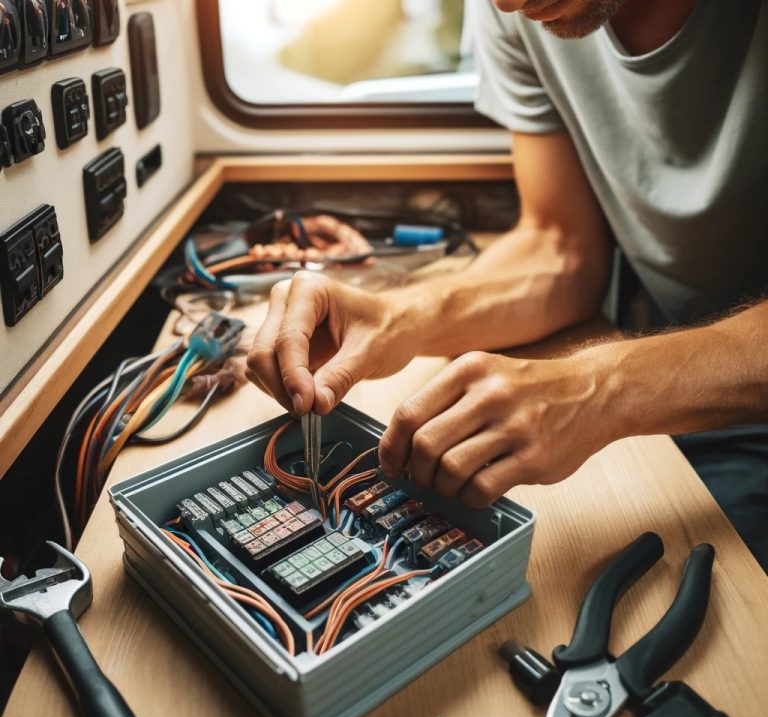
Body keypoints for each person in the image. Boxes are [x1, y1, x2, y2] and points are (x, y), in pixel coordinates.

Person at [246, 0, 768, 569]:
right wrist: (398, 316)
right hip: (670, 399)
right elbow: (561, 247)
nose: (504, 3)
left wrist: (602, 387)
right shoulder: (520, 10)